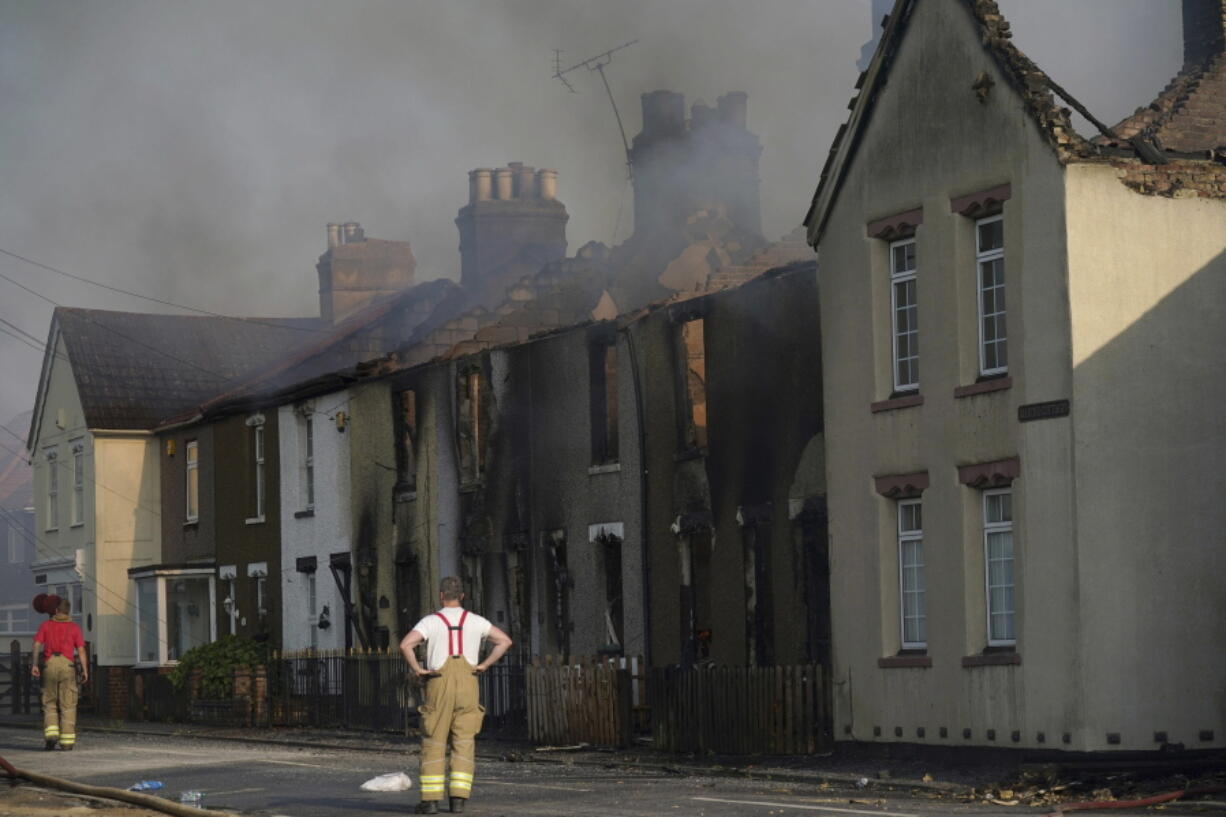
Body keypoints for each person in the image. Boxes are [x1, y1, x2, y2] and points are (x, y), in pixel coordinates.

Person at [399, 577, 512, 814]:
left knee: (434, 740)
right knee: (464, 741)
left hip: (439, 684)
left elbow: (405, 645)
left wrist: (418, 669)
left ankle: (430, 802)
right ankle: (458, 800)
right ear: (462, 596)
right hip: (469, 684)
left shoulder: (430, 621)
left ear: (441, 596)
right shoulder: (477, 621)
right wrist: (485, 665)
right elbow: (504, 641)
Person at [31, 595, 87, 751]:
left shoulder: (45, 625)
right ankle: (67, 742)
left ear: (56, 610)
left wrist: (35, 665)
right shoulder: (75, 628)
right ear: (68, 611)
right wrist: (84, 670)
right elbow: (81, 650)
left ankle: (51, 736)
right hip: (68, 666)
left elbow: (36, 645)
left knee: (49, 703)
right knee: (68, 704)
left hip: (49, 665)